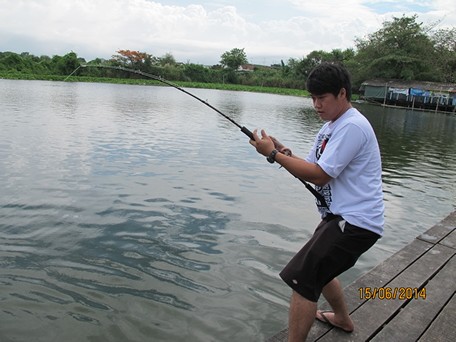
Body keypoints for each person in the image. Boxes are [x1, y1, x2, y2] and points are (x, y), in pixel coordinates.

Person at [249, 62, 384, 341]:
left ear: (342, 94)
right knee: (318, 266)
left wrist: (274, 155)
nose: (316, 105)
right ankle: (343, 319)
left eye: (322, 98)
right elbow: (311, 167)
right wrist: (280, 150)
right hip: (340, 218)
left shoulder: (352, 127)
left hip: (357, 223)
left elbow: (320, 177)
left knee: (303, 278)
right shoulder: (331, 127)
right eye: (312, 98)